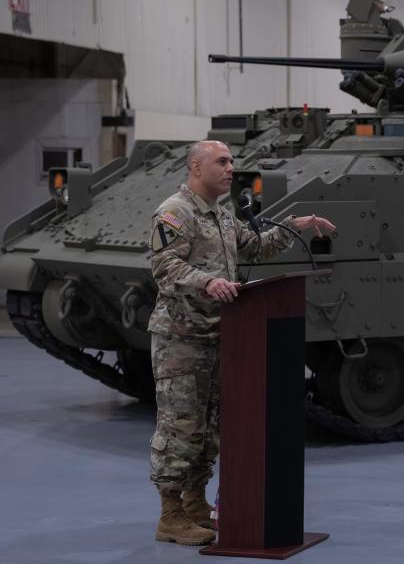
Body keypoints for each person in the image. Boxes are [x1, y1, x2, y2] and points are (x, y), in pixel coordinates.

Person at [147, 140, 335, 546]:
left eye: (232, 161)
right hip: (182, 338)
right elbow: (165, 267)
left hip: (222, 335)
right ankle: (170, 515)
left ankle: (195, 504)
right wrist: (208, 281)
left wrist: (294, 226)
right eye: (222, 161)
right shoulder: (176, 212)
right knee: (181, 426)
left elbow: (255, 246)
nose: (231, 168)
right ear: (196, 167)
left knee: (209, 428)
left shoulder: (222, 214)